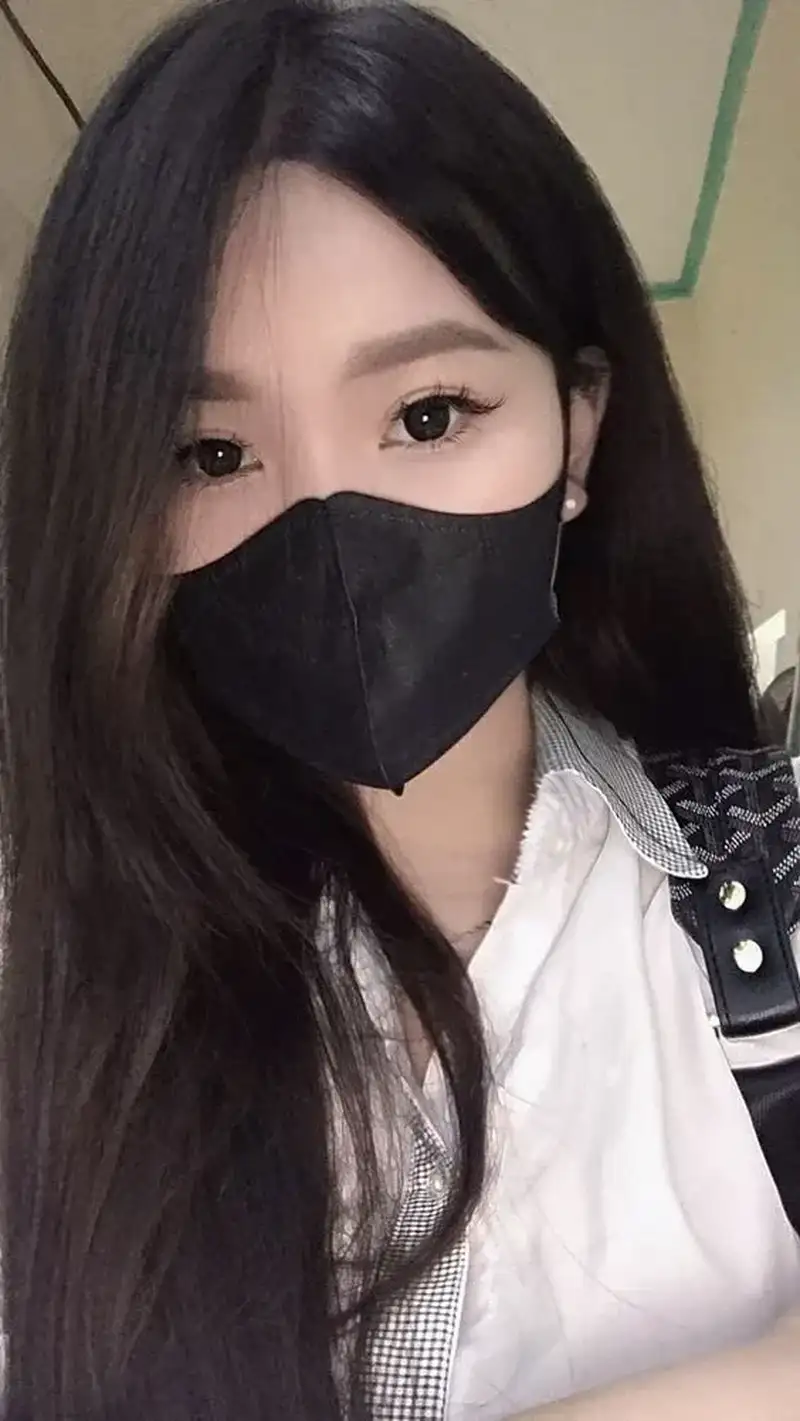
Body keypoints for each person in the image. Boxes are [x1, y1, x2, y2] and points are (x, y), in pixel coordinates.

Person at [0, 1, 798, 1418]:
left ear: (576, 433)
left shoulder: (773, 888)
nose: (330, 529)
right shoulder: (48, 979)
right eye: (209, 452)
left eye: (429, 415)